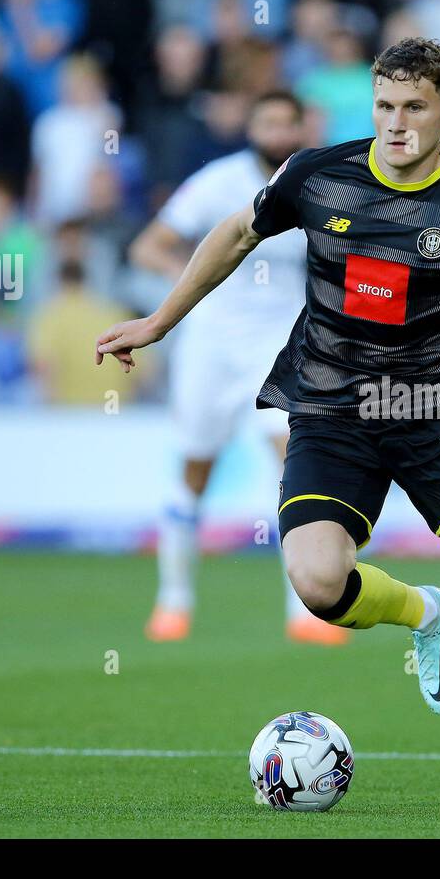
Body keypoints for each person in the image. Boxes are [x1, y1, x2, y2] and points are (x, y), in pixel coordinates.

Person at [97, 37, 440, 802]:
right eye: (384, 106)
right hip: (332, 407)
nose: (396, 123)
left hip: (433, 410)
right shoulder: (317, 173)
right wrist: (160, 320)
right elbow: (235, 233)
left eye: (414, 107)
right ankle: (422, 610)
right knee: (315, 581)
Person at [128, 90, 340, 646]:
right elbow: (148, 246)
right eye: (265, 121)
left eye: (285, 122)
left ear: (300, 127)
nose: (275, 131)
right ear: (251, 127)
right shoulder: (219, 182)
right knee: (194, 471)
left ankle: (305, 613)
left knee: (292, 472)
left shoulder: (321, 184)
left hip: (283, 345)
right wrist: (193, 275)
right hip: (211, 346)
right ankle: (173, 601)